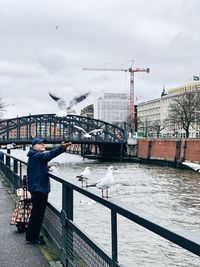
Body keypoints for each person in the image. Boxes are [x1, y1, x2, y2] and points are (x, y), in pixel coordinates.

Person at [26, 138, 72, 245]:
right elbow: (48, 155)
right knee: (38, 215)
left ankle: (31, 236)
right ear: (34, 146)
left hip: (36, 189)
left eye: (43, 143)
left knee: (35, 214)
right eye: (40, 143)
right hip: (39, 190)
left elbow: (41, 165)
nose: (43, 145)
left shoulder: (33, 156)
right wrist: (61, 148)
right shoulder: (37, 156)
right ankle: (34, 238)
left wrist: (48, 168)